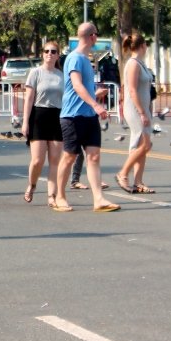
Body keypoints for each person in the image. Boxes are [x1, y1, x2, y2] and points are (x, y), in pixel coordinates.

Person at [54, 23, 120, 213]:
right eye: (96, 35)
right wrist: (96, 104)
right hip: (73, 116)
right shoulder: (75, 58)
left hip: (89, 116)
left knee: (94, 156)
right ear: (93, 37)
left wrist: (95, 94)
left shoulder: (84, 59)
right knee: (69, 156)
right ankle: (60, 196)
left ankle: (98, 199)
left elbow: (83, 87)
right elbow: (76, 85)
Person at [22, 41, 63, 207]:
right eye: (47, 51)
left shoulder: (61, 75)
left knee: (54, 160)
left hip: (57, 117)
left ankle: (51, 196)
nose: (50, 54)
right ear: (42, 53)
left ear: (58, 55)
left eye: (53, 52)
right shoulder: (35, 73)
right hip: (39, 115)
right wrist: (25, 121)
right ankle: (32, 185)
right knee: (38, 160)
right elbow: (29, 98)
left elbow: (66, 99)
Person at [116, 31, 155, 194]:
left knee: (144, 145)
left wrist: (147, 110)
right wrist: (141, 112)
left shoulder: (140, 63)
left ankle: (138, 181)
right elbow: (131, 90)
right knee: (144, 144)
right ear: (142, 46)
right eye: (146, 45)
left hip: (143, 108)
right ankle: (123, 173)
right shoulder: (132, 64)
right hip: (135, 108)